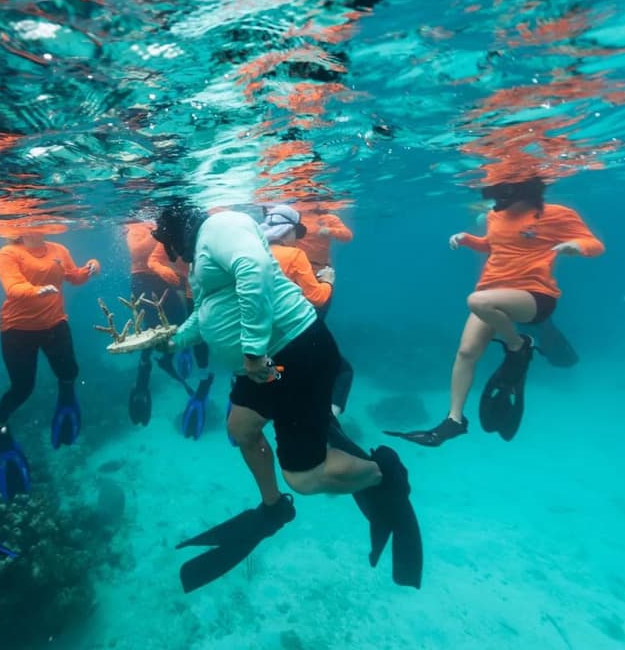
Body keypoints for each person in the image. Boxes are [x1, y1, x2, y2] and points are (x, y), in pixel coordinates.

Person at [152, 200, 420, 592]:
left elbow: (255, 269)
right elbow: (209, 310)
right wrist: (173, 340)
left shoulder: (222, 226)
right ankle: (274, 508)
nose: (171, 256)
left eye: (169, 247)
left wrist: (253, 349)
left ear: (177, 235)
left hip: (294, 355)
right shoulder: (204, 255)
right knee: (242, 428)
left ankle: (384, 474)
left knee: (305, 478)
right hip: (265, 366)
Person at [387, 177, 604, 446]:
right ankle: (454, 420)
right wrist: (467, 240)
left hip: (535, 295)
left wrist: (578, 247)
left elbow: (595, 245)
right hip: (494, 292)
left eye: (503, 192)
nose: (497, 200)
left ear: (525, 190)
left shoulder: (556, 214)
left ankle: (517, 345)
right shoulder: (493, 215)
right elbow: (493, 245)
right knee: (466, 352)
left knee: (477, 301)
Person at [0, 228, 99, 501]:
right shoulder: (9, 253)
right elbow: (13, 288)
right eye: (33, 220)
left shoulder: (58, 249)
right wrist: (36, 290)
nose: (40, 223)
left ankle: (66, 402)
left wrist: (90, 269)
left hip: (54, 322)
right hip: (17, 329)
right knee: (22, 388)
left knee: (69, 371)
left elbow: (73, 277)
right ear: (21, 228)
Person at [258, 204, 354, 416]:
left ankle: (270, 395)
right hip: (295, 328)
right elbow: (317, 298)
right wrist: (329, 281)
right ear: (288, 231)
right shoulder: (295, 255)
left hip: (266, 332)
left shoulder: (257, 253)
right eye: (296, 232)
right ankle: (329, 420)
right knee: (343, 371)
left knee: (280, 365)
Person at [123, 220, 213, 436]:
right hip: (152, 280)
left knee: (177, 324)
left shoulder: (167, 229)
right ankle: (147, 374)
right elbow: (145, 254)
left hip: (175, 279)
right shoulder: (138, 227)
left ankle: (172, 360)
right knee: (157, 328)